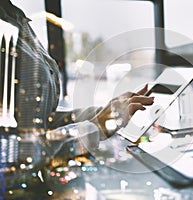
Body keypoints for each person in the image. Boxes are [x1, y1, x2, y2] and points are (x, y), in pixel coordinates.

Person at [0, 0, 154, 141]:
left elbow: (41, 121)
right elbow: (17, 147)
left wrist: (103, 112)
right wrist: (96, 128)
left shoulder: (15, 17)